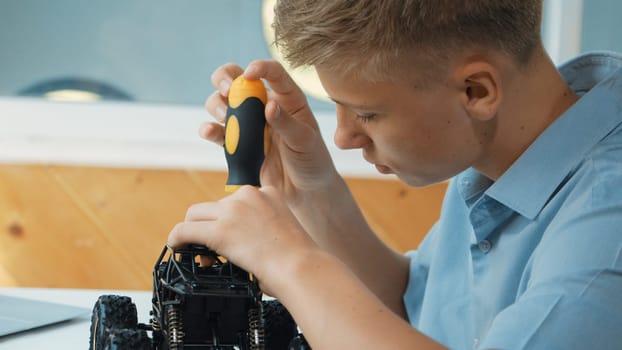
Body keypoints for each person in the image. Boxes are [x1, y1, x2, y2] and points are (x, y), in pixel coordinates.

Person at [168, 1, 622, 348]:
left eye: (366, 113)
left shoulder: (607, 225)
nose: (343, 137)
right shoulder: (502, 151)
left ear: (476, 90)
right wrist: (308, 187)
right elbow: (411, 311)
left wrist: (290, 264)